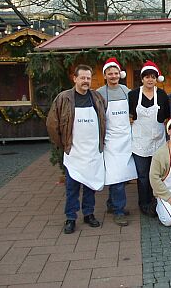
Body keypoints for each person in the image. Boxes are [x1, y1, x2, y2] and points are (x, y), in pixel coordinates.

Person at [46, 64, 106, 234]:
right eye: (82, 78)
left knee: (90, 186)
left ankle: (89, 214)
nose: (86, 81)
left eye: (88, 78)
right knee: (72, 188)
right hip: (73, 153)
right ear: (75, 78)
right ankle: (70, 218)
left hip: (93, 152)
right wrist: (63, 145)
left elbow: (103, 119)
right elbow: (52, 124)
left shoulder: (97, 98)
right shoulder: (64, 98)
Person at [97, 58, 138, 226]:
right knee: (117, 176)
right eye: (110, 73)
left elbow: (134, 110)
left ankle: (112, 204)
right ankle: (119, 211)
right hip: (110, 141)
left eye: (115, 73)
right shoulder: (99, 93)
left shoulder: (126, 91)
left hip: (125, 139)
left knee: (120, 176)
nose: (113, 76)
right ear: (105, 75)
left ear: (119, 75)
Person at [129, 60, 169, 216]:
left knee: (156, 174)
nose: (150, 80)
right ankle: (144, 203)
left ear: (156, 78)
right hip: (139, 142)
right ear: (142, 78)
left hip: (158, 141)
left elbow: (166, 116)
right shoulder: (133, 95)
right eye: (147, 77)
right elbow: (129, 115)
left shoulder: (162, 94)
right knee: (143, 175)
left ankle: (156, 201)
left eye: (153, 77)